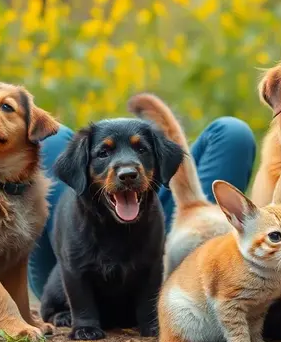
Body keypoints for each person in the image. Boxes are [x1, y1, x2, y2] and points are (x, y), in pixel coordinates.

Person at [27, 117, 256, 299]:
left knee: (233, 132)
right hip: (72, 277)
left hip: (157, 252)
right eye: (105, 152)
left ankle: (203, 267)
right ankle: (76, 300)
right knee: (51, 138)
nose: (125, 161)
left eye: (140, 149)